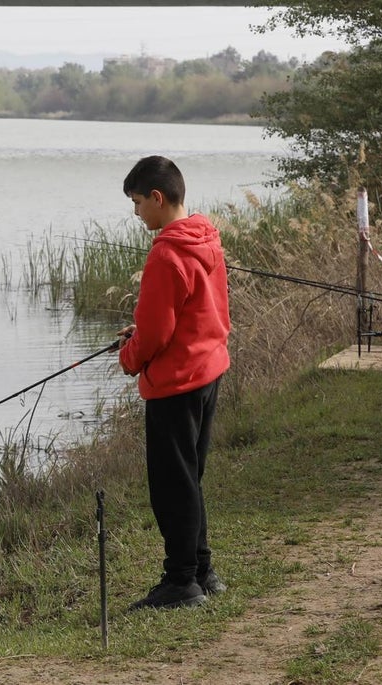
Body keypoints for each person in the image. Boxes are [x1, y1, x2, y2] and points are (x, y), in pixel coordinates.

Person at [116, 155, 231, 610]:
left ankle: (181, 581)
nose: (136, 212)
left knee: (171, 485)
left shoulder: (166, 252)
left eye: (138, 202)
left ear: (158, 198)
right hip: (208, 371)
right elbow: (193, 313)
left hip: (177, 383)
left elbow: (158, 334)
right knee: (190, 478)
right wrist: (140, 334)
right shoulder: (206, 236)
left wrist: (130, 356)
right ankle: (202, 570)